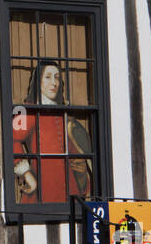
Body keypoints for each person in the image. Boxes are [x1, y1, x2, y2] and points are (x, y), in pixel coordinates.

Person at [12, 59, 92, 203]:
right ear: (38, 81)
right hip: (44, 189)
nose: (54, 83)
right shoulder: (28, 110)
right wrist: (27, 175)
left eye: (57, 78)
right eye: (48, 77)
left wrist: (84, 182)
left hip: (70, 190)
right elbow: (12, 140)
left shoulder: (63, 113)